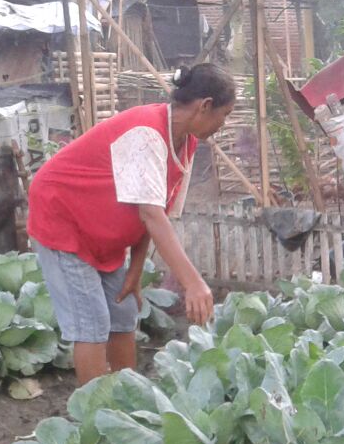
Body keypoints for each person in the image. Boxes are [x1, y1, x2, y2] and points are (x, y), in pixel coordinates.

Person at [28, 63, 236, 384]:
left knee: (123, 312)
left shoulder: (187, 142)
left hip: (101, 232)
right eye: (225, 114)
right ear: (205, 105)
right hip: (63, 219)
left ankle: (126, 401)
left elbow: (155, 211)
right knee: (92, 323)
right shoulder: (145, 134)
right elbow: (150, 214)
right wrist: (193, 282)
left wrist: (136, 270)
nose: (224, 123)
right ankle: (97, 419)